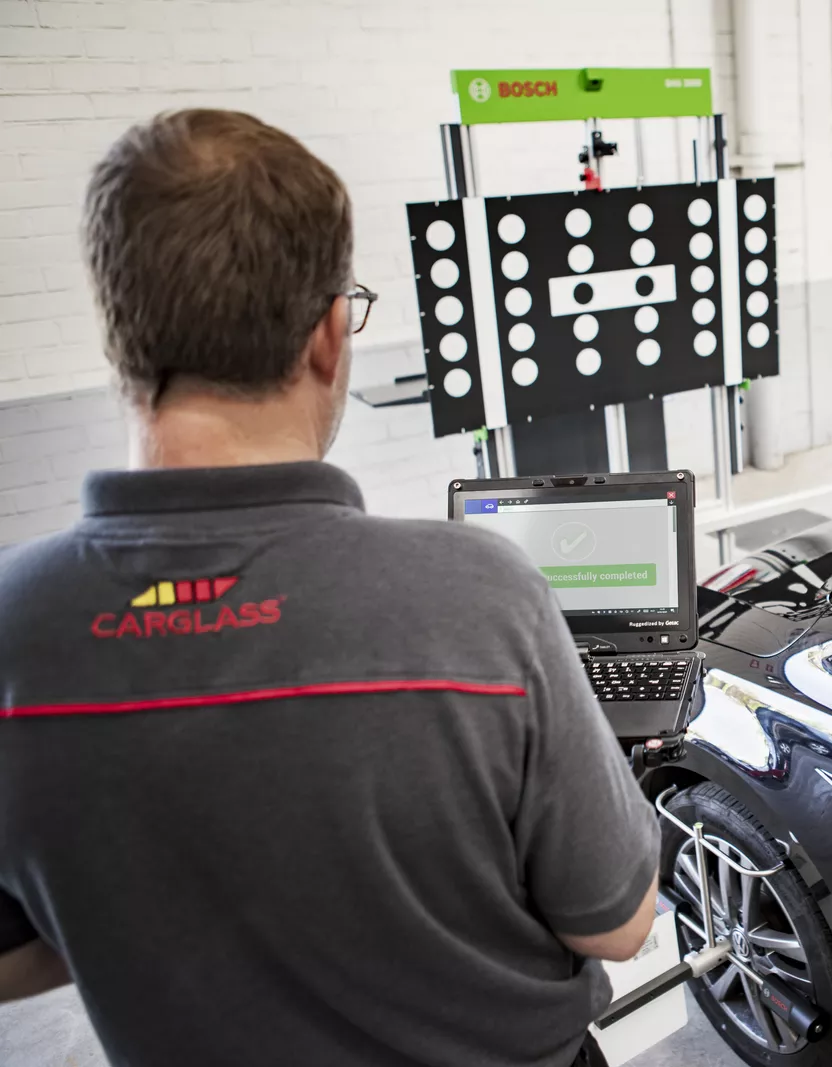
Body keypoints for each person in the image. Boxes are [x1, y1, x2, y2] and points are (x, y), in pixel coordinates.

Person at [0, 109, 659, 1067]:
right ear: (326, 336)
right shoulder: (480, 598)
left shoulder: (17, 632)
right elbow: (619, 923)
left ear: (120, 339)